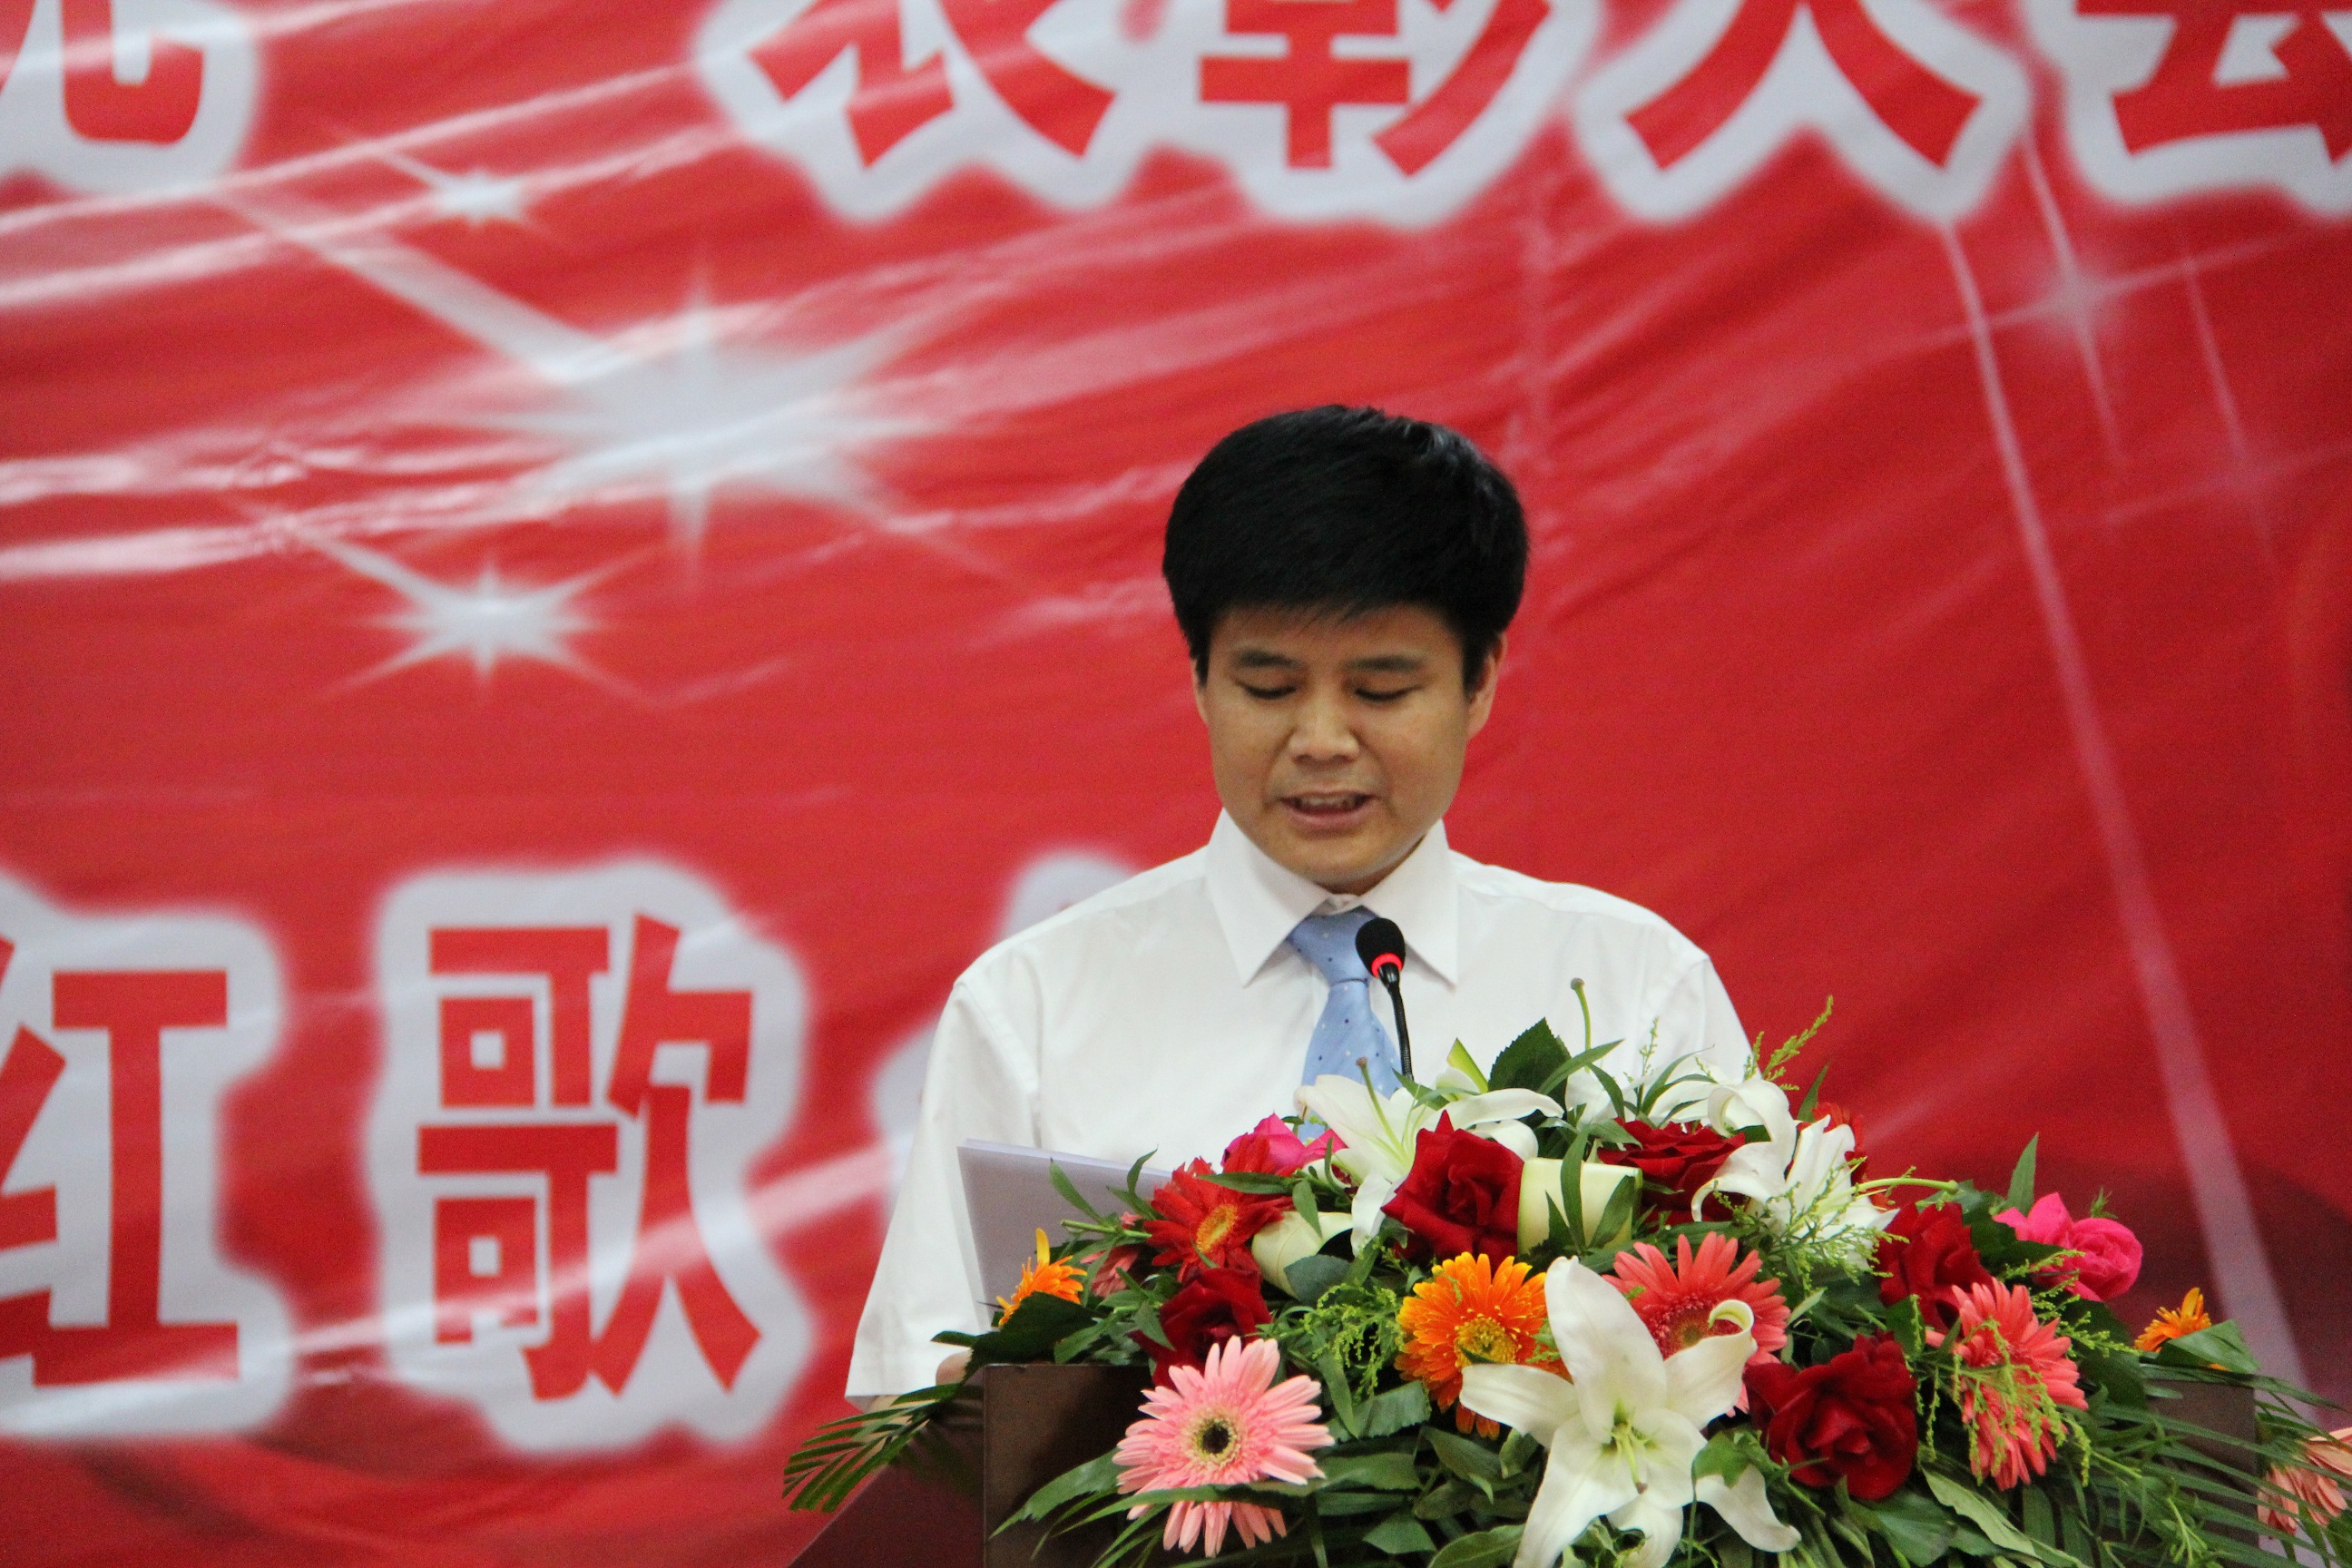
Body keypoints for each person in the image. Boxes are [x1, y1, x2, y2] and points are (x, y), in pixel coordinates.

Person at [844, 406, 1749, 1401]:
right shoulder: (1034, 1009)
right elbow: (913, 1400)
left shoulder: (1634, 989)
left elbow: (1750, 1348)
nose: (1321, 740)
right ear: (1201, 679)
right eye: (1270, 688)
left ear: (1480, 681)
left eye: (1382, 690)